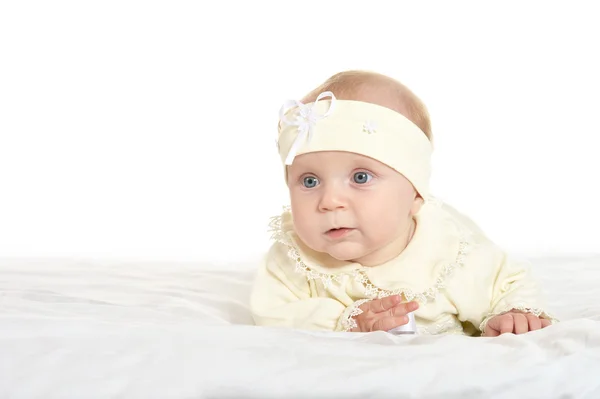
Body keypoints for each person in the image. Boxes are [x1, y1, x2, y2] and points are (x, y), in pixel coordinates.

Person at [250, 70, 556, 336]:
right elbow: (272, 313)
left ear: (415, 195)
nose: (329, 201)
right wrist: (346, 322)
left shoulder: (448, 251)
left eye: (360, 177)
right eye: (309, 181)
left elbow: (508, 283)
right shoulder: (294, 260)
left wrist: (511, 314)